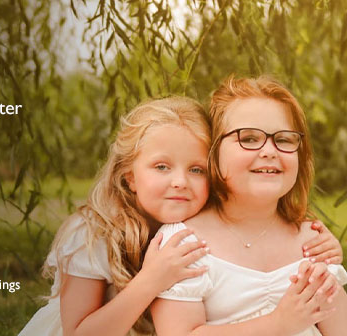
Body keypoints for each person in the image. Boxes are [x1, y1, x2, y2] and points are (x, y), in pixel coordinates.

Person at [18, 96, 342, 336]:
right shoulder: (94, 232)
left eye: (196, 169)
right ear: (129, 175)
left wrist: (323, 246)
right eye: (161, 166)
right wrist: (151, 279)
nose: (180, 181)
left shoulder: (197, 221)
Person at [150, 76, 347, 336]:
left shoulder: (313, 243)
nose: (269, 150)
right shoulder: (185, 244)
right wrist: (278, 325)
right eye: (249, 138)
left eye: (285, 139)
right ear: (214, 152)